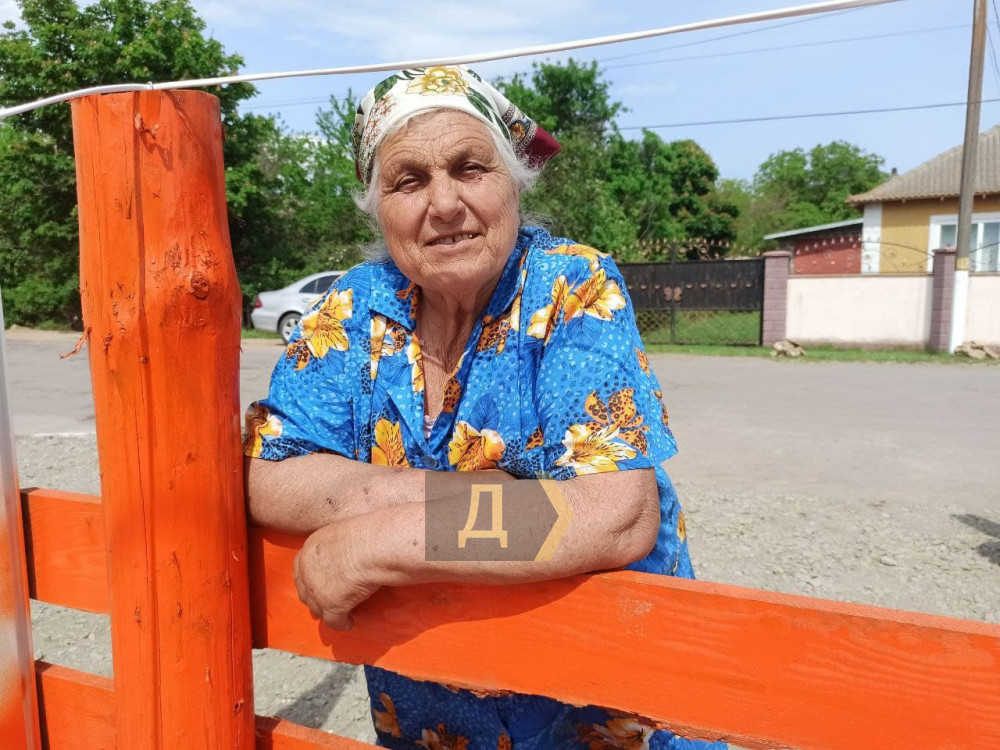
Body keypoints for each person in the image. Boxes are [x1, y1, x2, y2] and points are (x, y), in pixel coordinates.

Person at [244, 65, 723, 750]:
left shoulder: (571, 286)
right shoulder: (353, 306)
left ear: (514, 184)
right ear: (378, 208)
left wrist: (384, 541)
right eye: (408, 180)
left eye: (470, 168)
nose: (444, 203)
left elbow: (615, 513)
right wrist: (480, 498)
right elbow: (270, 473)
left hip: (600, 700)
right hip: (434, 705)